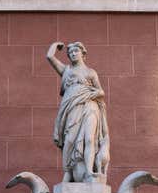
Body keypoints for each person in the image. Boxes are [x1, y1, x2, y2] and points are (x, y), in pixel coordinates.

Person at [46, 41, 110, 183]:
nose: (73, 54)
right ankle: (68, 172)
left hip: (90, 106)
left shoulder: (90, 72)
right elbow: (49, 57)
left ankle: (89, 171)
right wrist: (55, 45)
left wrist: (93, 93)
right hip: (72, 108)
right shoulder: (66, 70)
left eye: (76, 51)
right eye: (70, 53)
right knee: (69, 140)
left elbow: (101, 91)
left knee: (90, 139)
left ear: (83, 53)